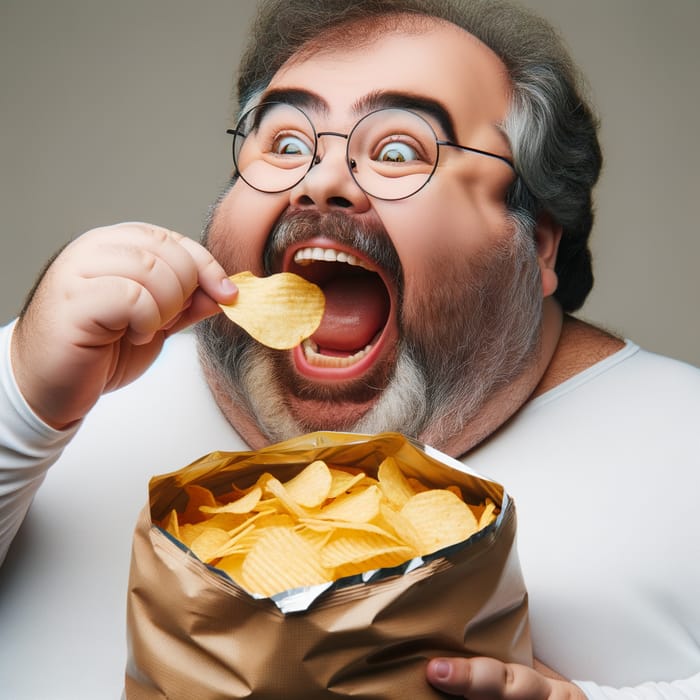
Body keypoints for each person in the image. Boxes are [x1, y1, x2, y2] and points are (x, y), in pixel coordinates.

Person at [1, 0, 698, 698]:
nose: (321, 179)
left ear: (536, 241)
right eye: (284, 144)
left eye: (399, 151)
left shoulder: (682, 448)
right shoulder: (62, 383)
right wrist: (22, 406)